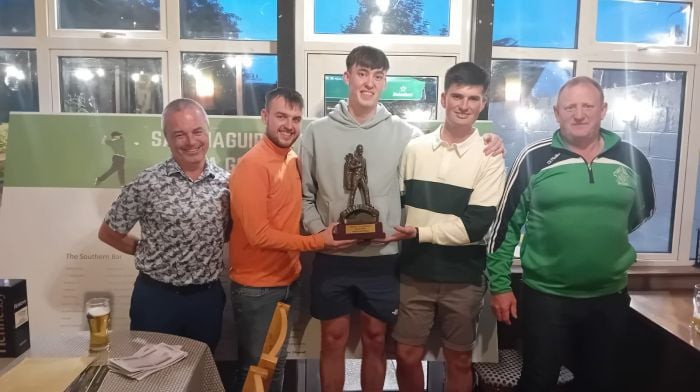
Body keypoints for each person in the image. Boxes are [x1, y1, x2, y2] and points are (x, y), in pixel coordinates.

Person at [299, 46, 503, 392]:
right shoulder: (315, 133)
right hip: (333, 257)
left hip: (384, 259)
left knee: (377, 339)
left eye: (377, 76)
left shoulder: (408, 136)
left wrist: (492, 139)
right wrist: (321, 233)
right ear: (347, 77)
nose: (369, 83)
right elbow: (304, 196)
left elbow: (432, 164)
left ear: (385, 82)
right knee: (332, 338)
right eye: (362, 74)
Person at [487, 76, 655, 392]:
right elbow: (504, 226)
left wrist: (601, 233)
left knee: (601, 382)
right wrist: (499, 285)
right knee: (538, 381)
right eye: (570, 107)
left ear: (603, 110)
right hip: (546, 297)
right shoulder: (533, 158)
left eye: (587, 106)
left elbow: (641, 211)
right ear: (557, 112)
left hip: (609, 297)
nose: (579, 114)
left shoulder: (632, 159)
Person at [384, 62, 505, 392]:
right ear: (443, 98)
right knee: (407, 356)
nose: (464, 105)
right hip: (415, 272)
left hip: (463, 278)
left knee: (459, 360)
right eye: (457, 96)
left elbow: (475, 227)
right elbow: (398, 203)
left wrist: (423, 233)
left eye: (473, 98)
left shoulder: (490, 156)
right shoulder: (415, 149)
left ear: (483, 103)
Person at [228, 87, 354, 392]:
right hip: (257, 289)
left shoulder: (293, 159)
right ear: (265, 117)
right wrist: (317, 241)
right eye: (281, 116)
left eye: (296, 118)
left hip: (286, 282)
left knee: (276, 363)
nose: (289, 125)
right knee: (257, 368)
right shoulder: (253, 165)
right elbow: (258, 235)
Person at [98, 98, 229, 351]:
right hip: (156, 300)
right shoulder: (147, 182)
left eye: (197, 131)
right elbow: (109, 232)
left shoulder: (228, 183)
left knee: (199, 375)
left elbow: (230, 232)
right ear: (167, 138)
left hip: (206, 299)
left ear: (207, 132)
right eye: (179, 134)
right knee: (150, 379)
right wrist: (144, 249)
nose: (191, 142)